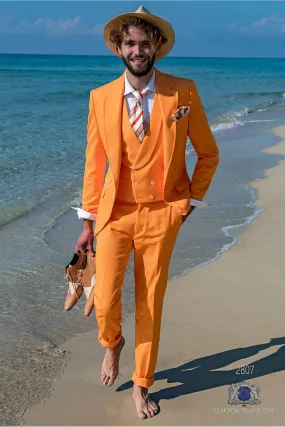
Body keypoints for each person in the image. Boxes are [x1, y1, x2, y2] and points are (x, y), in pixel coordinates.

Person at [73, 5, 219, 419]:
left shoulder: (182, 92)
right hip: (114, 214)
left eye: (144, 43)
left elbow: (208, 153)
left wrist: (188, 201)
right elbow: (93, 162)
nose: (138, 50)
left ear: (156, 45)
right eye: (130, 43)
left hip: (163, 214)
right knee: (104, 298)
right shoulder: (100, 98)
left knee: (150, 301)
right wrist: (87, 222)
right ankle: (112, 342)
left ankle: (141, 383)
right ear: (119, 47)